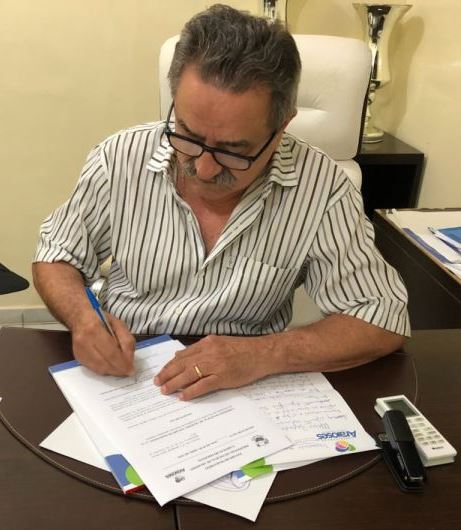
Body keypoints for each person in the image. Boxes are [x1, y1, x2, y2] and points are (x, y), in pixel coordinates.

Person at [33, 4, 410, 401]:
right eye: (188, 135)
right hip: (129, 373)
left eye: (234, 150)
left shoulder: (323, 187)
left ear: (282, 125)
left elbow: (382, 316)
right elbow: (57, 254)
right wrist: (84, 319)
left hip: (248, 387)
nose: (205, 169)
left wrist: (264, 353)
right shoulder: (120, 158)